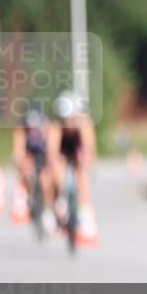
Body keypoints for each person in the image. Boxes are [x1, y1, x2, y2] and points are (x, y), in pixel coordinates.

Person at [49, 91, 98, 235]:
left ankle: (85, 211)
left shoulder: (85, 123)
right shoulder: (56, 126)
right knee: (57, 165)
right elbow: (52, 152)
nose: (70, 124)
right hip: (62, 149)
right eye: (66, 120)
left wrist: (86, 162)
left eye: (73, 119)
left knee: (82, 170)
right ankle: (62, 198)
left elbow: (90, 149)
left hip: (77, 149)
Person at [12, 107, 54, 231]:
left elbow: (52, 151)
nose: (33, 130)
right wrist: (20, 161)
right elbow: (18, 151)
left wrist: (49, 167)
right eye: (31, 127)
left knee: (46, 180)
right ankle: (26, 195)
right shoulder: (21, 129)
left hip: (44, 156)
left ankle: (48, 210)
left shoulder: (49, 129)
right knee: (25, 167)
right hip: (30, 157)